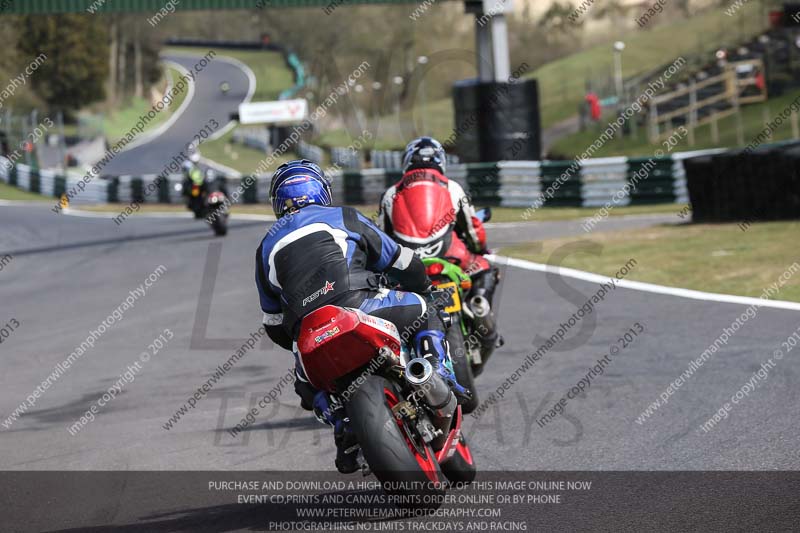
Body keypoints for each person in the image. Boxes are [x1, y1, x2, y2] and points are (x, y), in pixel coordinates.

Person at [255, 159, 466, 474]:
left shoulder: (263, 249)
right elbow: (402, 261)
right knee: (428, 308)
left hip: (311, 335)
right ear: (321, 191)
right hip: (362, 305)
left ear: (277, 202)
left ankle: (341, 423)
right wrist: (423, 287)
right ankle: (438, 372)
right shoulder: (344, 216)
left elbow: (272, 323)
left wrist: (301, 339)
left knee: (306, 386)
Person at [378, 137, 501, 362]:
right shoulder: (452, 187)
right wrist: (480, 248)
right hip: (449, 257)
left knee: (385, 289)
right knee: (485, 268)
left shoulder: (390, 194)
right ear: (440, 161)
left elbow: (382, 239)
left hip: (409, 265)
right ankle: (480, 306)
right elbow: (473, 228)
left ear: (407, 162)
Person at [182, 153, 206, 218]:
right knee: (194, 197)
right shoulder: (189, 167)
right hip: (194, 186)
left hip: (199, 185)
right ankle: (194, 207)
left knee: (201, 196)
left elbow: (201, 177)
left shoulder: (197, 169)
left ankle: (201, 208)